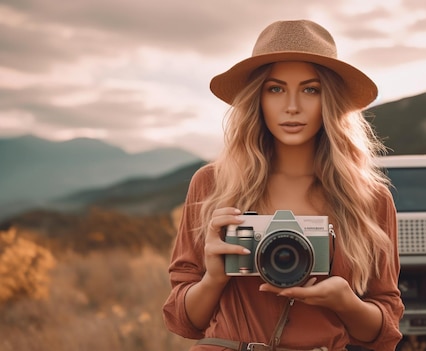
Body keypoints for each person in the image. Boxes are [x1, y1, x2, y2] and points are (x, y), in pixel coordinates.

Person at [163, 19, 403, 351]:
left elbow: (385, 333)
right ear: (257, 98)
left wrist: (345, 302)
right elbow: (183, 322)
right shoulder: (213, 184)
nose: (292, 106)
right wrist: (214, 278)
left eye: (310, 89)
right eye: (275, 89)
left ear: (329, 100)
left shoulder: (369, 198)